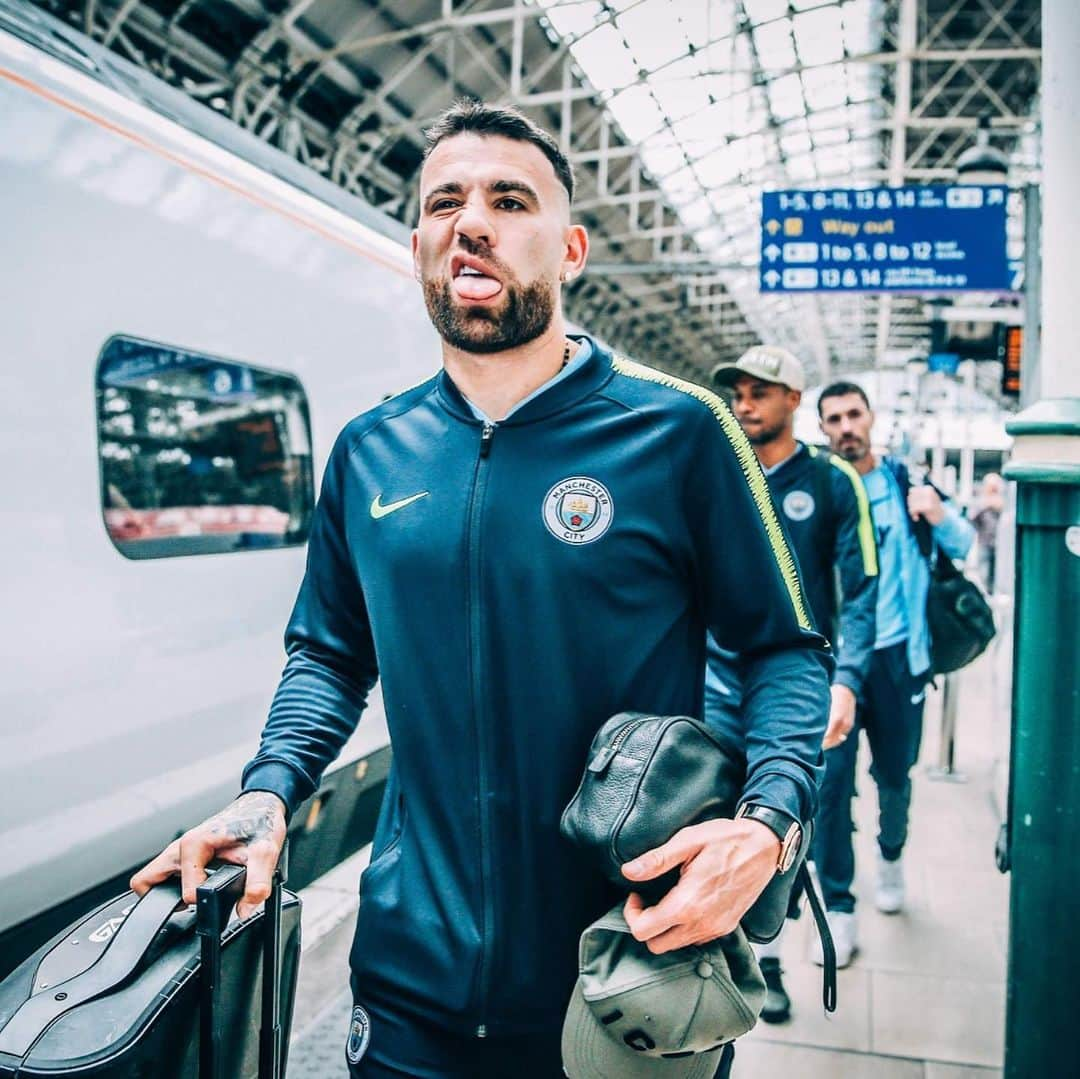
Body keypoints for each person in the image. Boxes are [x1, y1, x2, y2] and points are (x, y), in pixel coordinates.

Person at [132, 101, 832, 1079]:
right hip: (411, 985)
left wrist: (766, 822)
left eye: (510, 199)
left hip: (629, 977)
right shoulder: (371, 452)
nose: (474, 221)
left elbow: (785, 648)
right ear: (419, 242)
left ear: (572, 247)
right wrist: (269, 790)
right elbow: (331, 652)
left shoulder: (679, 431)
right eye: (446, 202)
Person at [707, 347, 879, 1022]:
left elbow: (861, 590)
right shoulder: (718, 472)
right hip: (722, 679)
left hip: (805, 682)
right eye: (737, 392)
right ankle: (762, 964)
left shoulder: (835, 481)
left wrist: (848, 680)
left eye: (760, 391)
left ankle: (835, 899)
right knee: (735, 814)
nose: (744, 402)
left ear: (793, 399)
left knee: (809, 807)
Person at [813, 381, 974, 966]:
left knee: (894, 776)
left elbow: (965, 543)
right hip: (837, 665)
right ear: (824, 427)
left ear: (871, 418)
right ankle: (837, 906)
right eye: (835, 418)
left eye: (854, 413)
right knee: (830, 789)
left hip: (900, 657)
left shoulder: (906, 483)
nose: (846, 426)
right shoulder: (822, 490)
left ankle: (891, 854)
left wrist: (936, 512)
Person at [970, 472, 1005, 594]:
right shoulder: (981, 501)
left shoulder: (1002, 501)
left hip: (1000, 543)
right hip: (984, 541)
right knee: (984, 571)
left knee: (998, 573)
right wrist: (986, 505)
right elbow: (972, 518)